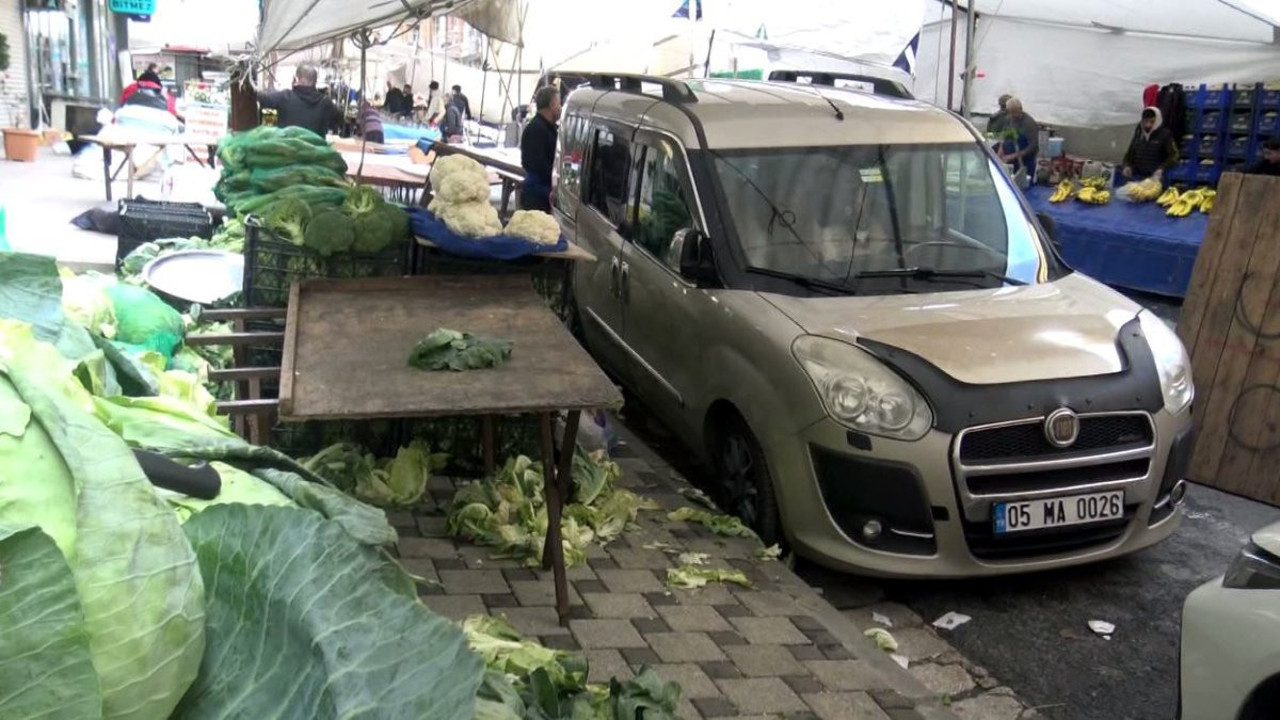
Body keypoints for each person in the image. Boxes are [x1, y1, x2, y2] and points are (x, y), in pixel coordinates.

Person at [257, 65, 342, 139]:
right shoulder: (326, 103)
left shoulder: (284, 97)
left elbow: (260, 98)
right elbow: (339, 121)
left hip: (286, 152)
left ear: (296, 79)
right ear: (315, 82)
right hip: (315, 154)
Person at [520, 85, 561, 213]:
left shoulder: (549, 127)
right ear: (552, 104)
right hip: (538, 193)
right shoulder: (536, 129)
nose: (560, 108)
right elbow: (536, 163)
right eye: (559, 103)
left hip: (545, 189)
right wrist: (559, 178)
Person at [1122, 107, 1179, 181]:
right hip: (1136, 177)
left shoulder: (1165, 135)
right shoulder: (1138, 134)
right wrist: (1127, 166)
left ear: (1157, 121)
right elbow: (1128, 155)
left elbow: (1174, 155)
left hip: (1156, 177)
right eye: (1146, 121)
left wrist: (1162, 168)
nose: (1148, 125)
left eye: (1152, 122)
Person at [997, 98, 1039, 177]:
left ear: (1020, 109)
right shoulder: (1008, 119)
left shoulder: (1029, 124)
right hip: (1009, 161)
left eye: (1015, 113)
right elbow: (1004, 135)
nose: (1012, 115)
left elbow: (1033, 146)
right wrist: (1001, 148)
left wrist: (1014, 155)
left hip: (1025, 162)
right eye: (1010, 113)